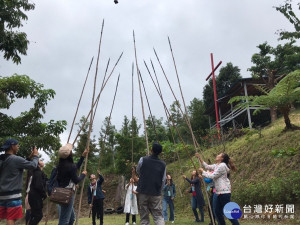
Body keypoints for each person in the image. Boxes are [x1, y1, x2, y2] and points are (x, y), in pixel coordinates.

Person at [0, 139, 39, 225]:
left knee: (7, 217)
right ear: (12, 146)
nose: (18, 147)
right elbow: (33, 165)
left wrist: (29, 157)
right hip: (12, 195)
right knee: (11, 218)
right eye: (17, 145)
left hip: (2, 195)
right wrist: (35, 156)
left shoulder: (2, 159)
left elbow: (19, 165)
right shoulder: (15, 159)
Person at [197, 152, 240, 225]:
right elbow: (207, 166)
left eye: (219, 155)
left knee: (227, 212)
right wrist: (200, 158)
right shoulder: (217, 165)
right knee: (216, 211)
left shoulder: (222, 166)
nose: (217, 155)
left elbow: (212, 176)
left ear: (222, 158)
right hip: (218, 192)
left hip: (224, 192)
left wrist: (203, 172)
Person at [56, 143, 88, 225]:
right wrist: (83, 175)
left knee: (71, 218)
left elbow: (74, 168)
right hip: (68, 193)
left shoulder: (60, 165)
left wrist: (82, 157)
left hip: (61, 192)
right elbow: (76, 180)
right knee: (65, 220)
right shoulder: (70, 166)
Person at [136, 142, 166, 225]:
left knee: (144, 216)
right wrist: (158, 190)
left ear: (151, 150)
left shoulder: (143, 159)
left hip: (143, 191)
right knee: (158, 215)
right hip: (156, 192)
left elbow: (138, 170)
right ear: (160, 152)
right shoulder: (163, 164)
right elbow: (163, 180)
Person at [28, 160, 47, 225]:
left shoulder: (38, 172)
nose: (42, 161)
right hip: (35, 197)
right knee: (38, 216)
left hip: (33, 196)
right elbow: (38, 185)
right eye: (40, 161)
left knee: (33, 215)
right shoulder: (37, 173)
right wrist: (44, 194)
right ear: (38, 164)